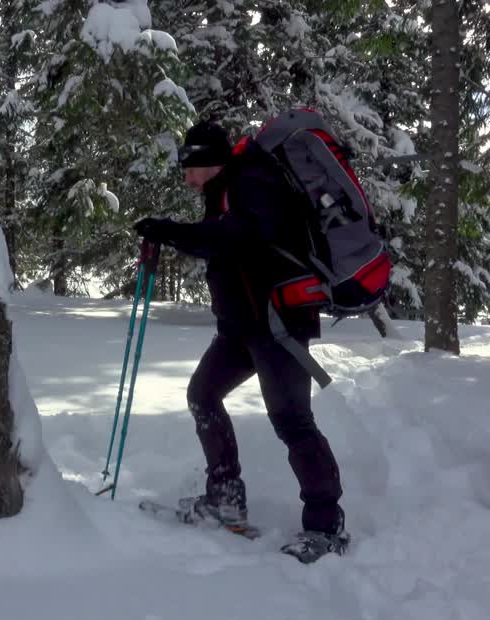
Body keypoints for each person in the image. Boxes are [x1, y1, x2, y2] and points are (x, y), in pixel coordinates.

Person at [134, 119, 350, 559]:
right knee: (204, 394)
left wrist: (172, 230)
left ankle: (326, 526)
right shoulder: (225, 192)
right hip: (242, 328)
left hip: (278, 324)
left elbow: (234, 238)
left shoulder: (253, 183)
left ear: (210, 163)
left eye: (189, 168)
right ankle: (225, 498)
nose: (186, 177)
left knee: (292, 421)